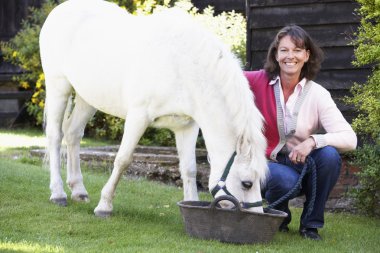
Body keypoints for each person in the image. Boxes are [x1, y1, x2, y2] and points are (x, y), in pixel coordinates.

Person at [244, 25, 357, 240]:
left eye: (297, 50)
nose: (290, 56)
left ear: (307, 55)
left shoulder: (317, 94)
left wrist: (313, 141)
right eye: (284, 50)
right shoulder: (258, 81)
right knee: (283, 180)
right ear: (276, 55)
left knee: (329, 155)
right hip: (267, 162)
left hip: (301, 163)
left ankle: (310, 225)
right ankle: (280, 216)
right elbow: (226, 78)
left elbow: (350, 139)